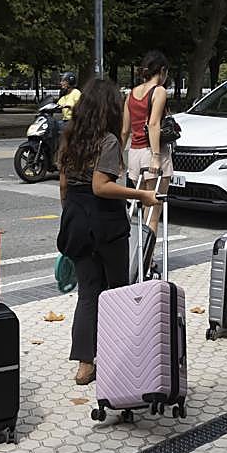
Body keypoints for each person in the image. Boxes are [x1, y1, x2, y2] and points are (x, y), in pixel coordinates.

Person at [58, 79, 159, 385]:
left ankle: (85, 365)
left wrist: (71, 215)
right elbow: (100, 186)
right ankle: (119, 356)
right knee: (117, 292)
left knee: (88, 293)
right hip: (106, 224)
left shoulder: (70, 135)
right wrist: (141, 195)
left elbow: (64, 185)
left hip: (76, 220)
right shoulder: (109, 141)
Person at [122, 50, 173, 233]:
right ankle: (147, 260)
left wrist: (120, 157)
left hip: (134, 154)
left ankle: (137, 255)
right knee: (153, 210)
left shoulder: (131, 93)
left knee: (139, 207)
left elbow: (125, 130)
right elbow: (153, 124)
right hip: (152, 152)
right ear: (162, 70)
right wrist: (156, 156)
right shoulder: (159, 91)